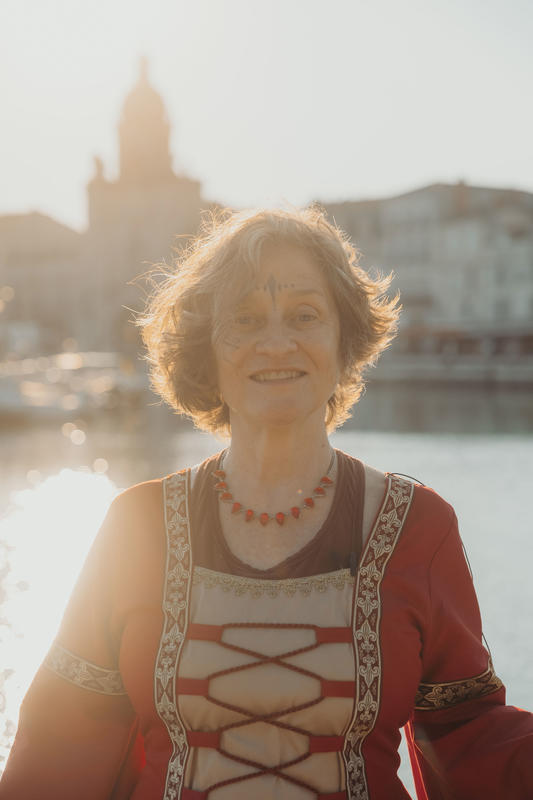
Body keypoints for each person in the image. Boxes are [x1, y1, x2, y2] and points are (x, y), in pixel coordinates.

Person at [1, 207, 532, 800]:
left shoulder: (418, 526)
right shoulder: (136, 528)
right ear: (206, 354)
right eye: (246, 319)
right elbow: (58, 749)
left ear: (345, 342)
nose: (276, 342)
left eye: (305, 315)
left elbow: (471, 738)